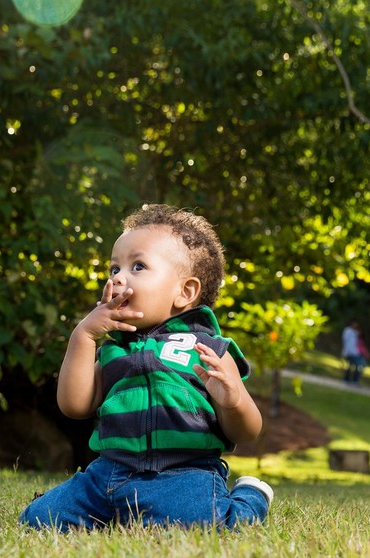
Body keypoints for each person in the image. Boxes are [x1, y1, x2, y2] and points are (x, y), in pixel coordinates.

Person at [20, 204, 273, 531]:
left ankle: (251, 496)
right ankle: (112, 511)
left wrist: (233, 400)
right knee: (37, 520)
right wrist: (83, 335)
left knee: (214, 527)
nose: (118, 277)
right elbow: (75, 405)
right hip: (106, 475)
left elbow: (248, 430)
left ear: (185, 292)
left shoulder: (208, 350)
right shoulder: (114, 350)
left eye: (137, 266)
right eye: (114, 269)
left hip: (183, 475)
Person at [340, 319, 370, 384]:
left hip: (357, 352)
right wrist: (346, 352)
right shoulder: (347, 331)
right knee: (350, 366)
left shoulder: (356, 332)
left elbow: (360, 343)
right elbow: (345, 342)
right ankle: (347, 379)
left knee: (358, 366)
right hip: (350, 352)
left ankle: (354, 380)